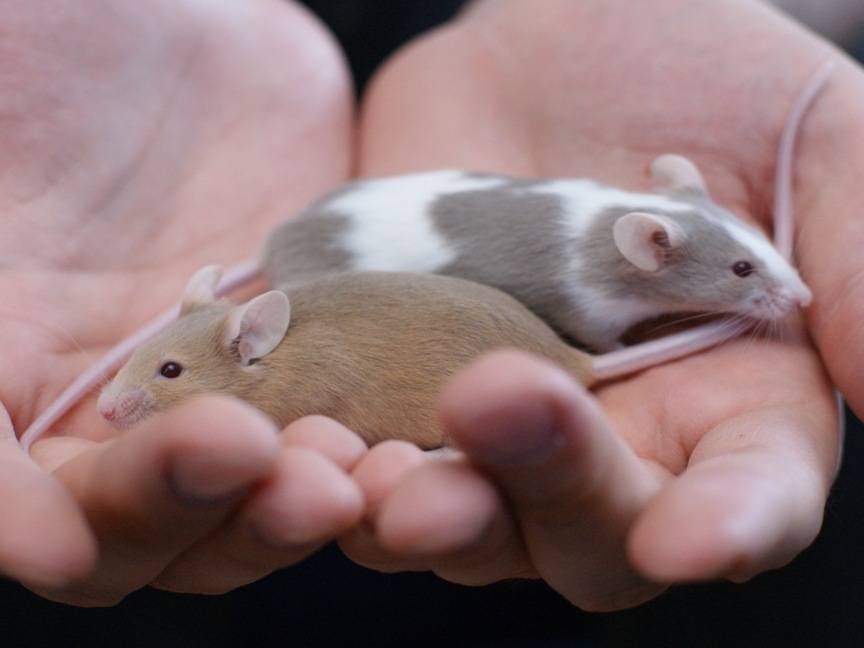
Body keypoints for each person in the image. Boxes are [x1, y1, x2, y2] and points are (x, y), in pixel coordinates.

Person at [0, 0, 858, 612]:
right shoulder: (601, 266)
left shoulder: (616, 253)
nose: (787, 298)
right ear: (647, 247)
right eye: (745, 273)